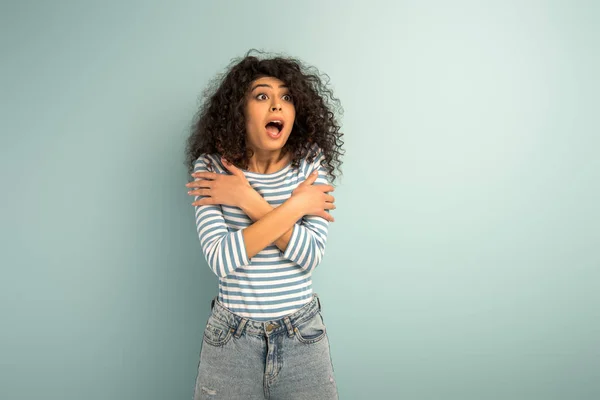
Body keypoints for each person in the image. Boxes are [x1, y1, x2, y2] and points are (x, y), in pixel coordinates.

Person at [184, 49, 344, 399]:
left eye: (286, 97)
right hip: (230, 341)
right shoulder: (211, 169)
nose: (277, 105)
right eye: (262, 96)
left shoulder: (310, 163)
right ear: (239, 111)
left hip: (302, 335)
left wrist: (247, 200)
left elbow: (310, 255)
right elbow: (222, 260)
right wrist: (298, 204)